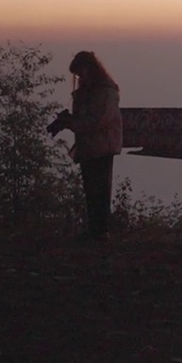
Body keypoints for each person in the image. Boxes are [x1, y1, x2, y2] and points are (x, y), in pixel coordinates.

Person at [48, 51, 123, 241]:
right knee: (91, 190)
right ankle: (95, 230)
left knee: (100, 190)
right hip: (89, 147)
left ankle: (102, 231)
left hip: (102, 147)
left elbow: (98, 121)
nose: (80, 77)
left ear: (91, 69)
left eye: (81, 73)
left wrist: (70, 123)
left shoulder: (106, 91)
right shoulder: (86, 92)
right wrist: (66, 121)